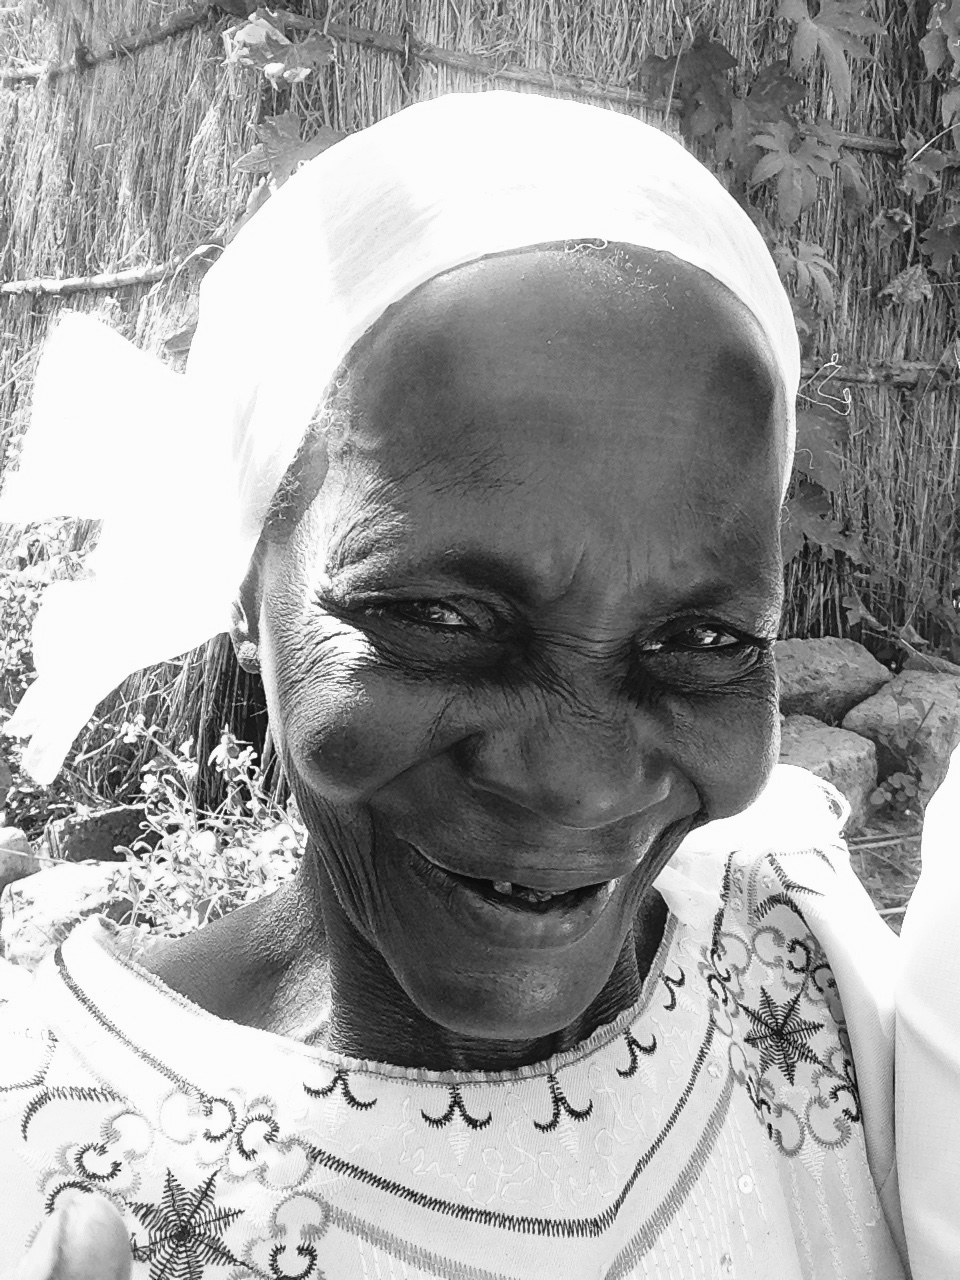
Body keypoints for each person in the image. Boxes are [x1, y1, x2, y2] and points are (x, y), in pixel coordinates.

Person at [0, 92, 910, 1278]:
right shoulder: (59, 1151)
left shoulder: (805, 961)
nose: (578, 783)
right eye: (438, 618)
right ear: (241, 584)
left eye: (701, 640)